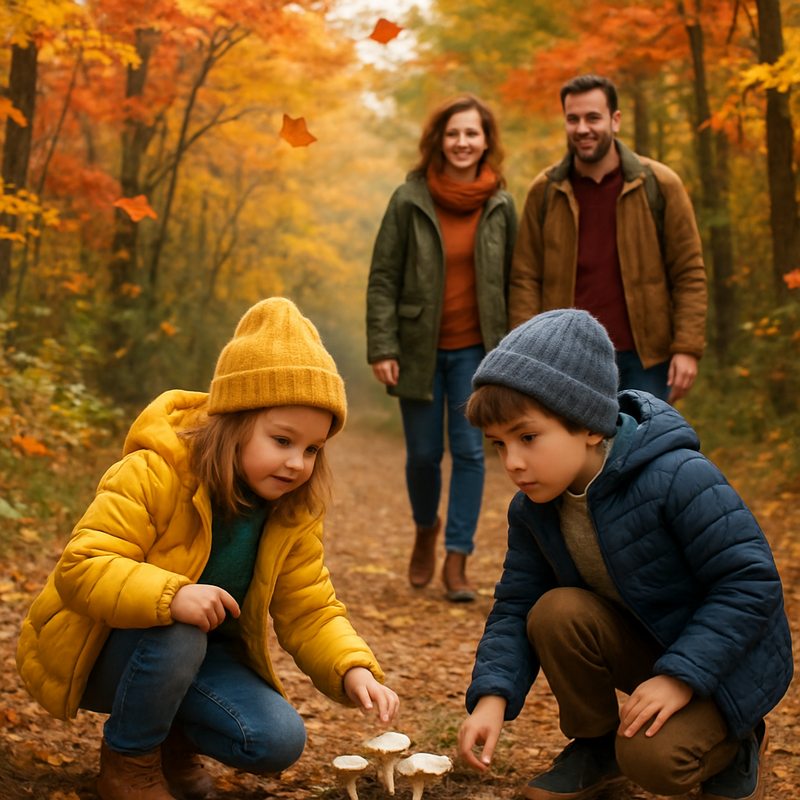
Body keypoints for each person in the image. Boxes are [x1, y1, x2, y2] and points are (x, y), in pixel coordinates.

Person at [17, 298, 399, 800]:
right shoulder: (155, 471)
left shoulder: (291, 511)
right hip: (105, 651)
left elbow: (309, 607)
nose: (296, 463)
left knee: (276, 739)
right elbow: (82, 566)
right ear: (235, 423)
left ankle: (170, 739)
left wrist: (352, 666)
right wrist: (172, 595)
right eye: (282, 440)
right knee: (180, 630)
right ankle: (129, 761)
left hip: (199, 659)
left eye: (312, 449)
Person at [456, 309, 792, 800]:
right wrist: (492, 697)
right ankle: (596, 748)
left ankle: (738, 741)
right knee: (553, 611)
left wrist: (680, 678)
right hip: (648, 646)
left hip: (727, 663)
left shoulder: (679, 477)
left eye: (527, 437)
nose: (513, 462)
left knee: (654, 762)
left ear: (590, 426)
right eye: (499, 444)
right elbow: (516, 605)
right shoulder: (533, 508)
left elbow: (749, 582)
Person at [366, 94, 518, 602]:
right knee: (424, 456)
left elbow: (516, 280)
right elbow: (383, 276)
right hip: (418, 350)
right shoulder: (409, 199)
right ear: (439, 139)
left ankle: (458, 557)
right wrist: (383, 345)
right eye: (453, 133)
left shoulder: (501, 204)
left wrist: (517, 350)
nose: (462, 142)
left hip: (480, 352)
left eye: (471, 133)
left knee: (471, 453)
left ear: (486, 141)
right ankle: (425, 527)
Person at [508, 74, 707, 405]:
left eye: (593, 118)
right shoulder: (545, 191)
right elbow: (525, 279)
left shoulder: (660, 184)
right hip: (568, 358)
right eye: (573, 119)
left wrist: (687, 348)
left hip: (647, 359)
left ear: (615, 120)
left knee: (642, 440)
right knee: (576, 442)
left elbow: (688, 272)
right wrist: (528, 351)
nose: (582, 128)